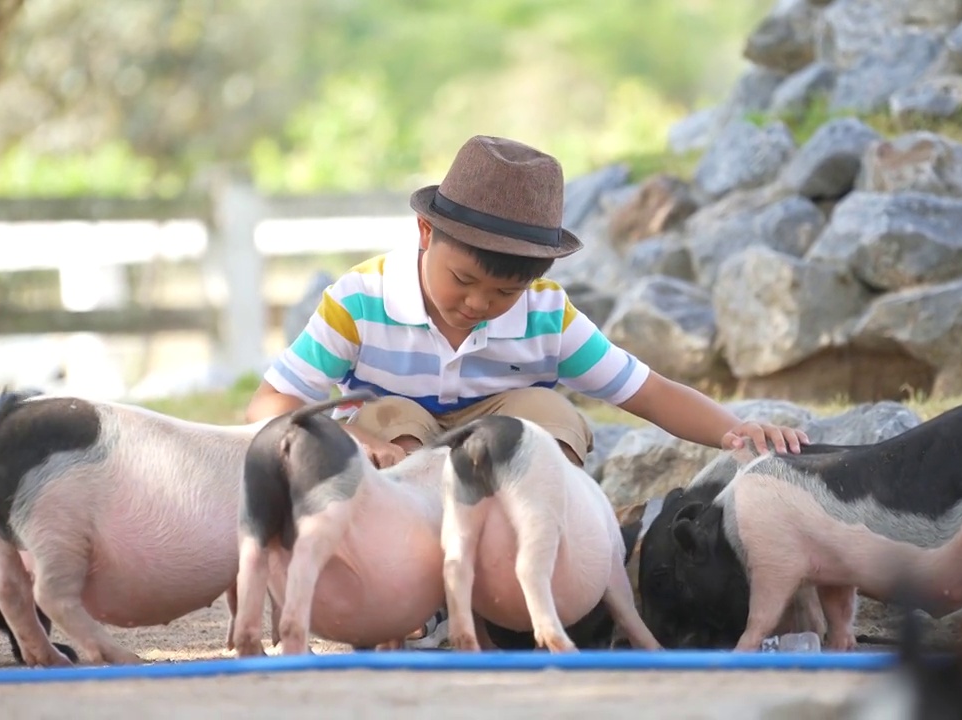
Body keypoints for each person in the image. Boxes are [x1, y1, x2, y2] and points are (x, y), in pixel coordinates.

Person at [243, 134, 810, 647]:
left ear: (534, 278)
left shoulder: (547, 316)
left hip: (497, 489)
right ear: (424, 233)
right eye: (463, 280)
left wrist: (735, 431)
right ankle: (426, 602)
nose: (478, 304)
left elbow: (648, 391)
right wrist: (345, 449)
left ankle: (520, 585)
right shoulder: (360, 302)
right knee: (392, 414)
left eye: (504, 292)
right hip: (398, 486)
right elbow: (271, 403)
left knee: (544, 415)